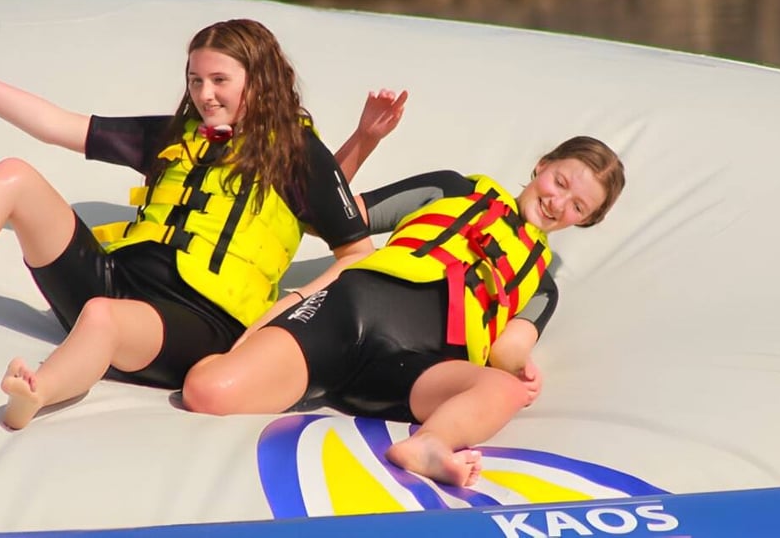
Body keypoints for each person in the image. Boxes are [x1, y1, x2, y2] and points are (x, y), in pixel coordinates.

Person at [0, 19, 405, 429]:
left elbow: (355, 250)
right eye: (196, 80)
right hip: (113, 277)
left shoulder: (299, 154)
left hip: (199, 320)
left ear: (261, 80)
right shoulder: (173, 135)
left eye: (220, 81)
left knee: (102, 318)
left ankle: (36, 394)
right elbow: (54, 123)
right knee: (14, 175)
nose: (205, 95)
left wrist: (296, 302)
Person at [182, 136, 625, 488]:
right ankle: (235, 348)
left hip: (411, 370)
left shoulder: (541, 287)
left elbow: (508, 350)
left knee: (503, 392)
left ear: (584, 222)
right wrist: (365, 138)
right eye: (561, 183)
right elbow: (340, 218)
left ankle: (429, 445)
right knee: (208, 392)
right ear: (542, 165)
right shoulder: (455, 189)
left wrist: (522, 371)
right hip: (348, 315)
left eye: (578, 207)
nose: (558, 203)